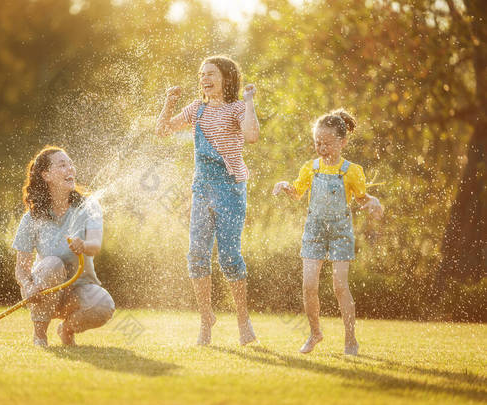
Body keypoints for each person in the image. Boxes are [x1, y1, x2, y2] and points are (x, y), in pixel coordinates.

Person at [155, 55, 260, 345]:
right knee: (197, 256)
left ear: (226, 77)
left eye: (210, 73)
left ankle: (242, 320)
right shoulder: (197, 109)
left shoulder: (238, 108)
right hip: (202, 189)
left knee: (229, 257)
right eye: (201, 74)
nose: (204, 78)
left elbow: (251, 136)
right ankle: (206, 320)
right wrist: (169, 102)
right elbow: (162, 131)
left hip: (231, 190)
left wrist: (249, 101)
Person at [273, 109, 383, 355]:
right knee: (309, 284)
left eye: (327, 143)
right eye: (317, 143)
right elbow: (298, 193)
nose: (321, 147)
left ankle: (351, 339)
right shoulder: (310, 168)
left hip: (340, 233)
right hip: (314, 231)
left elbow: (362, 198)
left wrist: (373, 202)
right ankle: (315, 333)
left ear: (342, 142)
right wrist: (285, 187)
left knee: (339, 286)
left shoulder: (351, 171)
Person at [12, 146, 115, 347]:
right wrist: (28, 286)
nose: (70, 169)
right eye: (62, 165)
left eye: (71, 164)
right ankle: (40, 336)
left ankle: (66, 330)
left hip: (77, 290)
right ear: (46, 175)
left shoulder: (88, 206)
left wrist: (83, 245)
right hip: (43, 289)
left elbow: (95, 246)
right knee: (52, 264)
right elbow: (21, 268)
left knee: (104, 305)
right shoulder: (32, 218)